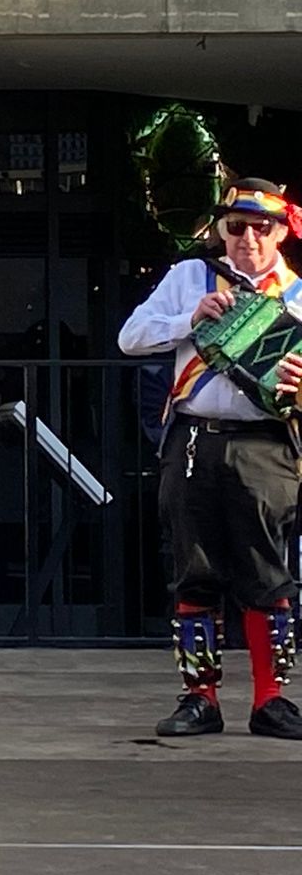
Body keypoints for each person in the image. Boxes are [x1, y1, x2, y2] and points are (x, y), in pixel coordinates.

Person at [120, 177, 302, 742]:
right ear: (222, 229)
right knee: (194, 572)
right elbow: (130, 338)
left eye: (261, 226)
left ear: (280, 232)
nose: (248, 237)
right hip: (194, 440)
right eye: (237, 226)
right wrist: (189, 320)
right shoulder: (188, 279)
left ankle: (272, 701)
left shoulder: (296, 296)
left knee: (267, 575)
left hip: (267, 444)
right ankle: (199, 698)